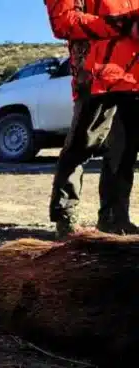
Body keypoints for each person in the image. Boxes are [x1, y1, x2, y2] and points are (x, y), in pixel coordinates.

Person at [45, 0, 139, 238]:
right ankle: (65, 216)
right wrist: (119, 25)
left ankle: (114, 219)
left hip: (134, 78)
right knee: (80, 148)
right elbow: (63, 22)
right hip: (97, 78)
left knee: (123, 153)